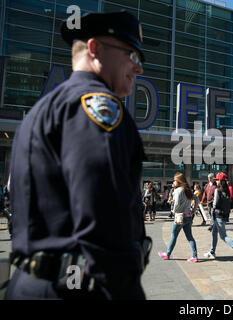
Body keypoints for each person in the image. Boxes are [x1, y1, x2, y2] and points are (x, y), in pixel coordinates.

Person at [6, 11, 152, 300]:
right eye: (132, 56)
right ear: (95, 49)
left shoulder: (45, 109)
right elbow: (104, 222)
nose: (139, 69)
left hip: (30, 285)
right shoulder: (98, 107)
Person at [158, 173, 199, 262]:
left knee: (173, 235)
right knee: (190, 237)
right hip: (188, 216)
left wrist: (173, 211)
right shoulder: (188, 190)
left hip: (179, 217)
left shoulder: (178, 190)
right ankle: (195, 256)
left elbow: (176, 204)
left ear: (179, 181)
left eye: (175, 180)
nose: (173, 182)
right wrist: (194, 209)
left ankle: (167, 254)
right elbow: (196, 199)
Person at [204, 178, 233, 262]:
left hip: (218, 215)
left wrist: (211, 207)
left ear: (220, 181)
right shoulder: (226, 191)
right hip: (223, 215)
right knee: (214, 232)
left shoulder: (217, 190)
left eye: (217, 180)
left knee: (223, 236)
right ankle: (212, 251)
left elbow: (215, 204)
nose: (215, 181)